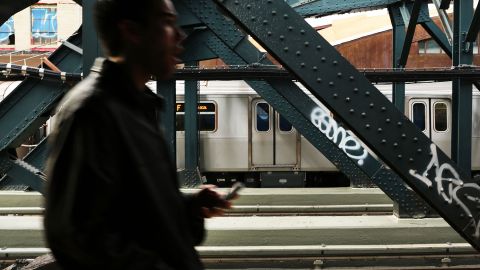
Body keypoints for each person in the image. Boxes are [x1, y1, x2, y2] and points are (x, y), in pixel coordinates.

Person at [44, 0, 232, 269]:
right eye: (167, 22)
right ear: (131, 31)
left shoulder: (136, 106)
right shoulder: (92, 111)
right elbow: (75, 237)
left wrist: (190, 208)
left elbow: (134, 216)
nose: (180, 35)